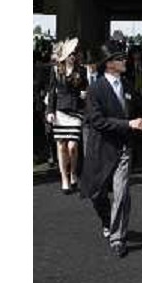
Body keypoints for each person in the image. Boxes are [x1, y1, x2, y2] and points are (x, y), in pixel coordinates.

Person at [80, 41, 142, 258]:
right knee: (97, 194)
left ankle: (118, 237)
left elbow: (141, 114)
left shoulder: (128, 86)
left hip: (124, 149)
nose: (124, 60)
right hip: (100, 149)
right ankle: (107, 220)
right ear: (108, 64)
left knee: (122, 192)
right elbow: (97, 121)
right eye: (119, 58)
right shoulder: (95, 89)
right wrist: (128, 124)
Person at [46, 38, 87, 194]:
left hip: (76, 111)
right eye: (70, 54)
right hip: (60, 112)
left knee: (72, 147)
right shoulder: (56, 70)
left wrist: (85, 94)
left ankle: (74, 172)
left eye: (74, 54)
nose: (73, 56)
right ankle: (64, 177)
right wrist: (50, 111)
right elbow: (51, 92)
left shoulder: (81, 71)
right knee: (62, 147)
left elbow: (85, 89)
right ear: (65, 55)